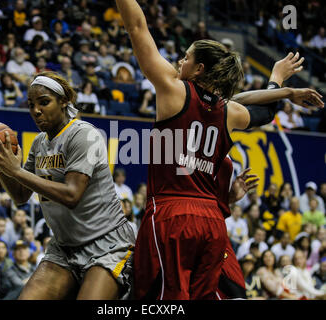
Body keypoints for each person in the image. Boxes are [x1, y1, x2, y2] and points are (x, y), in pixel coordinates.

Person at [116, 0, 323, 300]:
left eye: (185, 58)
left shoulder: (173, 90)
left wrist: (285, 89)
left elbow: (136, 27)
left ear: (199, 68)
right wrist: (282, 85)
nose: (179, 63)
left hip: (171, 214)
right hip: (212, 221)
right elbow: (264, 112)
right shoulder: (228, 111)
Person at [0, 71, 135, 300]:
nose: (36, 111)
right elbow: (21, 196)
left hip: (108, 244)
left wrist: (16, 170)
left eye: (44, 102)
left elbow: (72, 195)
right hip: (64, 247)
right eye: (31, 105)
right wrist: (1, 168)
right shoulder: (39, 143)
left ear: (64, 102)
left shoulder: (84, 135)